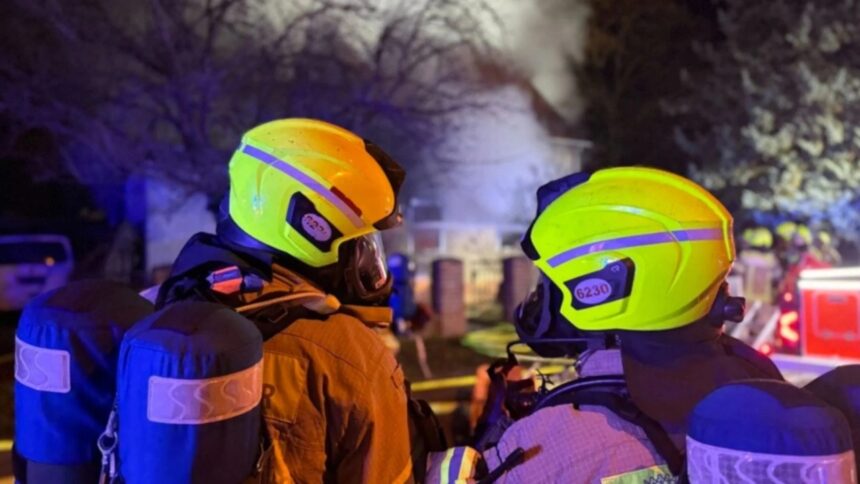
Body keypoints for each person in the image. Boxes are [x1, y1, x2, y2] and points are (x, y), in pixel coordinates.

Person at [429, 167, 784, 483]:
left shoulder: (553, 442)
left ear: (603, 290)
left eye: (550, 285)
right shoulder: (761, 393)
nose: (543, 299)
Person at [153, 118, 414, 483]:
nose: (372, 268)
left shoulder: (155, 318)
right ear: (310, 230)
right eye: (363, 248)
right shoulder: (351, 355)